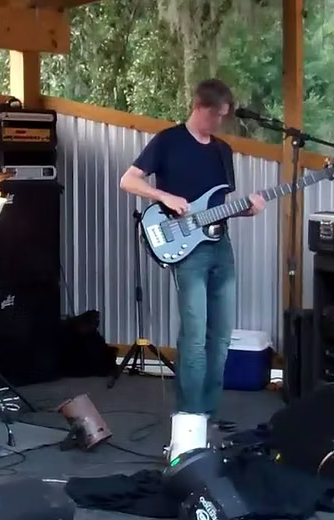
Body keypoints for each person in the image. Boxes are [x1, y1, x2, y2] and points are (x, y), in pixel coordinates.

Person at [119, 79, 265, 429]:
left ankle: (209, 416)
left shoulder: (222, 150)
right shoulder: (168, 141)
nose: (220, 122)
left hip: (220, 246)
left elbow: (218, 205)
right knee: (195, 336)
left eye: (224, 117)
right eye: (216, 115)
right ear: (200, 107)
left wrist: (247, 210)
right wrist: (163, 196)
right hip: (187, 252)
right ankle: (189, 419)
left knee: (221, 337)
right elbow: (128, 180)